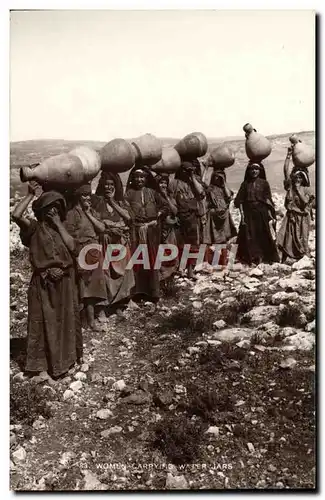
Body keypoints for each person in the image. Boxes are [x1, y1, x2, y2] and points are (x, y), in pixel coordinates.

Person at [11, 184, 82, 378]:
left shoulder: (63, 228)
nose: (53, 210)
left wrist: (58, 224)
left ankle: (64, 362)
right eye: (49, 207)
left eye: (57, 207)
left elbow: (73, 248)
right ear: (42, 210)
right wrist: (30, 195)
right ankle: (40, 368)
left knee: (64, 321)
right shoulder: (34, 229)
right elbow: (16, 216)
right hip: (43, 282)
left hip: (65, 282)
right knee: (41, 322)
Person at [63, 184, 107, 329]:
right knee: (84, 287)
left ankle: (95, 316)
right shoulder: (71, 214)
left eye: (89, 195)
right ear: (78, 197)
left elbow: (101, 228)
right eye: (84, 195)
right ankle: (88, 320)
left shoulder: (92, 211)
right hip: (82, 251)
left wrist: (87, 213)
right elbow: (69, 237)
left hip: (94, 250)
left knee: (95, 284)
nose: (87, 198)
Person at [92, 171, 135, 315]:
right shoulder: (97, 202)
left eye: (111, 185)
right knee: (105, 274)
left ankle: (119, 305)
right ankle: (102, 309)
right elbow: (96, 222)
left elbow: (129, 218)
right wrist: (109, 227)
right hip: (105, 243)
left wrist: (112, 202)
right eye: (106, 185)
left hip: (120, 243)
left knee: (122, 275)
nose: (108, 188)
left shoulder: (121, 202)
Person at [125, 165, 168, 302]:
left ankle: (153, 292)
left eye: (142, 177)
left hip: (152, 231)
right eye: (137, 177)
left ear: (146, 178)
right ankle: (138, 292)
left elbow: (165, 206)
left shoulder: (152, 192)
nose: (139, 179)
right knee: (138, 258)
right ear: (133, 179)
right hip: (136, 231)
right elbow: (126, 210)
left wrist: (157, 217)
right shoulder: (129, 194)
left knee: (152, 258)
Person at [234, 162, 279, 265]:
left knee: (262, 234)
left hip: (261, 212)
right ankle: (250, 257)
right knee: (248, 235)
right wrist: (242, 215)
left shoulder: (264, 183)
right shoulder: (245, 184)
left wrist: (271, 215)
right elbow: (240, 200)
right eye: (252, 169)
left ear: (260, 171)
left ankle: (263, 256)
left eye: (256, 169)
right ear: (248, 171)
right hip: (248, 213)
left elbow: (268, 199)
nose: (254, 171)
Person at [169, 161, 207, 279]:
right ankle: (180, 269)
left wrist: (192, 177)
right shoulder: (174, 183)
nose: (188, 173)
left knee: (192, 245)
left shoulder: (195, 181)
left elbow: (201, 193)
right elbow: (172, 199)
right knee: (180, 244)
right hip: (181, 217)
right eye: (186, 170)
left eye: (191, 170)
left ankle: (190, 270)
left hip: (193, 218)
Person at [277, 147, 315, 262]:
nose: (298, 179)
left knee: (301, 239)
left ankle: (302, 258)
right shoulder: (290, 188)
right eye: (296, 177)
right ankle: (285, 258)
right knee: (285, 237)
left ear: (303, 179)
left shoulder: (307, 189)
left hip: (302, 218)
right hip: (291, 217)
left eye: (300, 177)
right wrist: (288, 156)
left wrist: (299, 190)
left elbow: (305, 203)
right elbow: (285, 171)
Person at [203, 169, 237, 265]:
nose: (218, 179)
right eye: (216, 177)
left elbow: (229, 195)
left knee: (223, 239)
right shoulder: (210, 189)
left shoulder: (224, 189)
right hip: (213, 215)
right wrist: (206, 169)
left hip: (224, 216)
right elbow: (203, 184)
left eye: (220, 177)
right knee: (209, 239)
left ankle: (223, 261)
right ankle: (208, 261)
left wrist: (224, 182)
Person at [154, 173, 179, 284]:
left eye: (165, 183)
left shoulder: (170, 197)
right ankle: (161, 277)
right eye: (161, 183)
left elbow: (175, 211)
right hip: (158, 229)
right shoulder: (153, 196)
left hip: (169, 230)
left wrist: (166, 197)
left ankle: (169, 276)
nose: (163, 185)